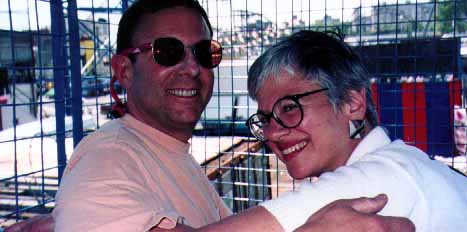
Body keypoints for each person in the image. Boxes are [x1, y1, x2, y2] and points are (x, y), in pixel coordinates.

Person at [4, 1, 415, 231]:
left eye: (204, 53)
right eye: (167, 52)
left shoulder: (170, 156)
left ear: (354, 103)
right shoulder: (109, 158)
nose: (192, 68)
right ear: (123, 71)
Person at [245, 30, 467, 232]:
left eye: (289, 108)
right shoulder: (404, 162)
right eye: (264, 120)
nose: (272, 133)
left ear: (352, 103)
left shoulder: (376, 179)